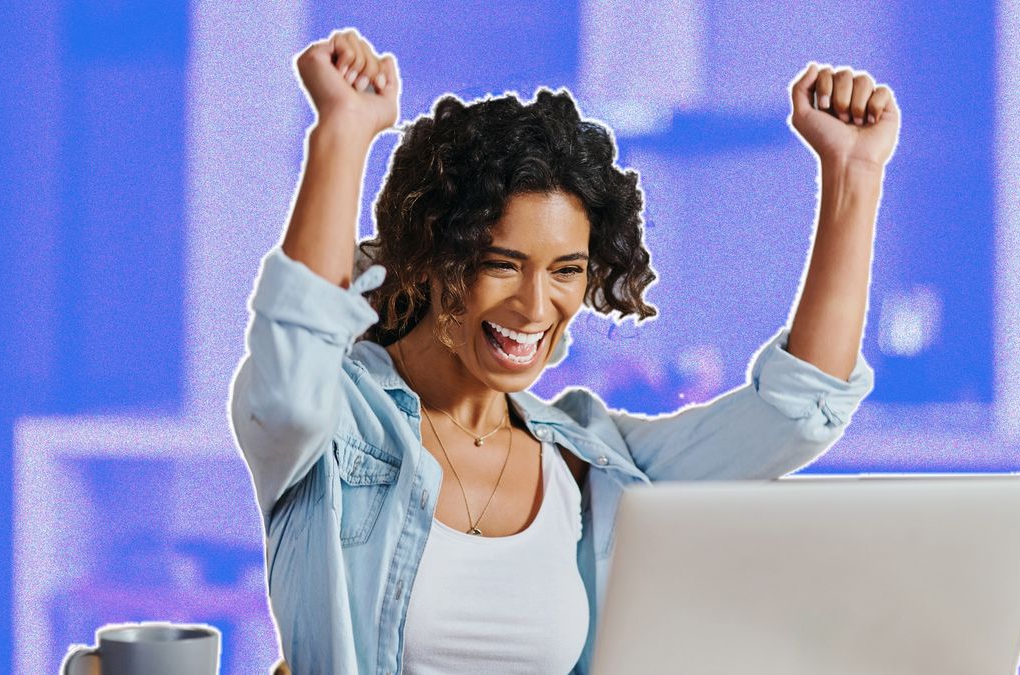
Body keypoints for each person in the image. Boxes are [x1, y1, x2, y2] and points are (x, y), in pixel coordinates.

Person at [230, 27, 897, 675]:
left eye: (566, 270)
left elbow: (795, 412)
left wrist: (855, 173)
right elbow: (295, 363)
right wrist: (343, 133)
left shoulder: (589, 459)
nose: (533, 304)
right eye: (500, 262)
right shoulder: (338, 429)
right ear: (431, 257)